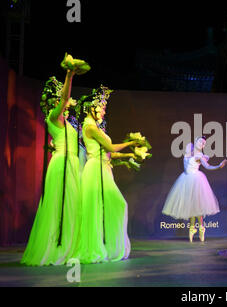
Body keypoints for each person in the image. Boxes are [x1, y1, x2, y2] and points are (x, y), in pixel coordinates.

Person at [21, 54, 90, 266]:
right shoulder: (53, 116)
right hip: (61, 165)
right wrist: (69, 75)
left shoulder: (67, 122)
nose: (66, 103)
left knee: (71, 205)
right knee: (61, 205)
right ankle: (58, 246)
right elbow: (63, 99)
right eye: (62, 101)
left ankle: (69, 244)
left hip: (70, 164)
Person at [72, 85, 137, 263]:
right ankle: (99, 248)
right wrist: (131, 142)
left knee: (108, 208)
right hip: (96, 171)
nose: (103, 111)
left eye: (104, 108)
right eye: (101, 108)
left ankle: (108, 247)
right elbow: (110, 147)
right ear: (91, 108)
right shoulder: (89, 127)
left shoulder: (96, 127)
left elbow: (110, 153)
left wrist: (131, 154)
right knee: (107, 207)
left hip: (103, 169)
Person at [162, 137, 227, 242]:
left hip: (196, 180)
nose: (202, 144)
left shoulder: (200, 156)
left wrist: (218, 166)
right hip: (186, 180)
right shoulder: (189, 151)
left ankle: (200, 227)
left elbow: (207, 166)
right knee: (191, 204)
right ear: (196, 141)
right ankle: (192, 228)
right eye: (200, 141)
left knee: (197, 204)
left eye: (204, 143)